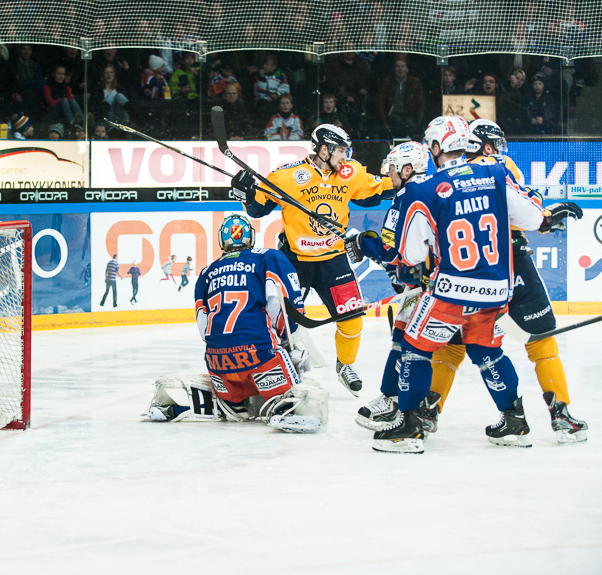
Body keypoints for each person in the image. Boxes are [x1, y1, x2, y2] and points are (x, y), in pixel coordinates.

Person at [372, 115, 573, 453]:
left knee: (414, 349)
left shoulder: (425, 189)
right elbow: (535, 219)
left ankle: (409, 427)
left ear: (436, 147)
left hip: (451, 291)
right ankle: (513, 421)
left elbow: (409, 254)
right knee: (486, 351)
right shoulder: (496, 173)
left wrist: (414, 266)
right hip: (497, 289)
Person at [419, 119, 587, 443]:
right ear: (485, 145)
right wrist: (549, 215)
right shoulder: (499, 167)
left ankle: (428, 411)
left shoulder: (444, 177)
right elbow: (529, 212)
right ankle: (561, 414)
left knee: (455, 345)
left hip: (467, 272)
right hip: (512, 263)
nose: (500, 150)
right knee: (539, 339)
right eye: (496, 143)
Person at [232, 124, 397, 396]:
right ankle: (278, 368)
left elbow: (378, 191)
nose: (345, 156)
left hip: (333, 259)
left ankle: (345, 365)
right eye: (341, 151)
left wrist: (411, 180)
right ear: (324, 149)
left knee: (353, 317)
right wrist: (244, 194)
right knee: (279, 320)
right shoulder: (286, 176)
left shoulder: (350, 172)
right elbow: (257, 208)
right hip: (295, 261)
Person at [145, 214, 325, 433]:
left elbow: (204, 330)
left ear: (223, 241)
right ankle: (283, 406)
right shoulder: (267, 257)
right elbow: (281, 310)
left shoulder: (206, 272)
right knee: (296, 387)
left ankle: (227, 403)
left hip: (220, 366)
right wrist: (288, 344)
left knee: (234, 401)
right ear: (251, 238)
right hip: (260, 357)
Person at [345, 141, 437, 431]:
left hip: (426, 285)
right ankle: (414, 404)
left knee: (406, 343)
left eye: (395, 168)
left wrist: (363, 242)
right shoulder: (431, 188)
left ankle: (397, 402)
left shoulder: (409, 193)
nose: (391, 173)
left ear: (408, 169)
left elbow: (391, 248)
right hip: (437, 280)